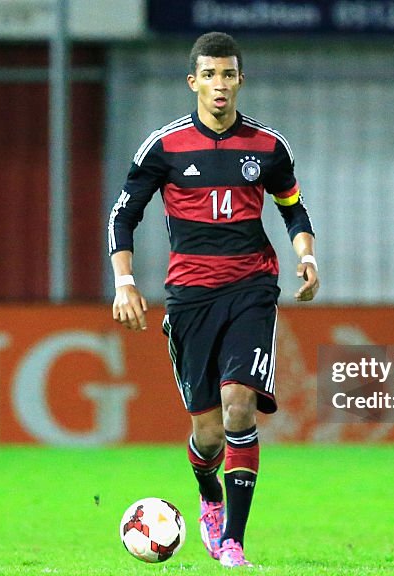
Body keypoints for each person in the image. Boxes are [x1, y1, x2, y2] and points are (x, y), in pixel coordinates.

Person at [107, 31, 319, 568]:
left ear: (240, 80)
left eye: (228, 74)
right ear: (193, 81)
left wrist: (307, 256)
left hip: (251, 288)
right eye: (209, 75)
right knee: (207, 434)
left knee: (239, 406)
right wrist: (125, 283)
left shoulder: (269, 147)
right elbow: (123, 215)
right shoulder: (164, 147)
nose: (219, 85)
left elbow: (293, 207)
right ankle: (208, 494)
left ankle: (232, 541)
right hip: (190, 298)